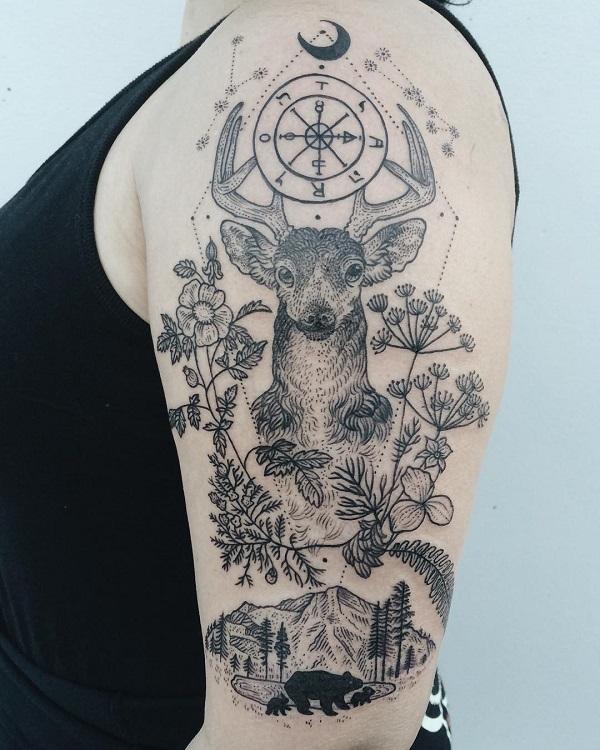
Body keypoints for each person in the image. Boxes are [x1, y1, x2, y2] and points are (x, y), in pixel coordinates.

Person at [0, 1, 517, 748]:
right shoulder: (217, 58)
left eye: (344, 279)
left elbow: (328, 741)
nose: (316, 303)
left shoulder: (310, 48)